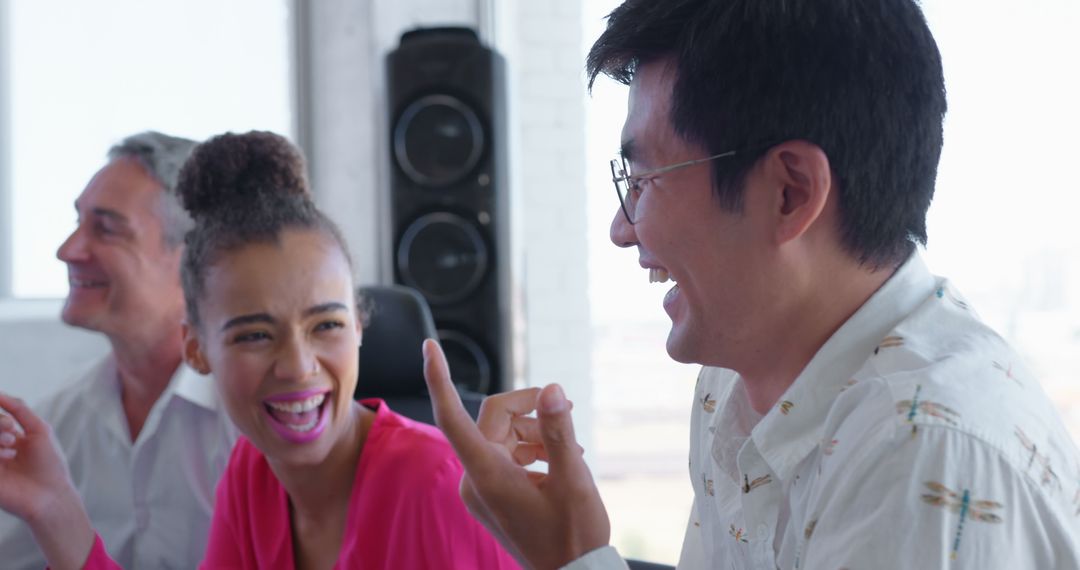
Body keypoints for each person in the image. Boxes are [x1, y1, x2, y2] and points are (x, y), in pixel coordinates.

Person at [421, 0, 1080, 568]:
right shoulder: (733, 386)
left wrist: (570, 557)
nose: (623, 229)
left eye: (645, 181)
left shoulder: (922, 453)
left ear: (791, 193)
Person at [0, 131, 518, 569]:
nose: (297, 366)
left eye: (327, 325)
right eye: (254, 334)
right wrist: (54, 510)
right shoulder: (254, 473)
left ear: (359, 325)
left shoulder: (431, 485)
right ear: (198, 350)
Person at [0, 132, 237, 569]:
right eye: (77, 223)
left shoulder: (254, 427)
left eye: (106, 229)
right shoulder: (56, 424)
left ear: (196, 261)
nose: (67, 250)